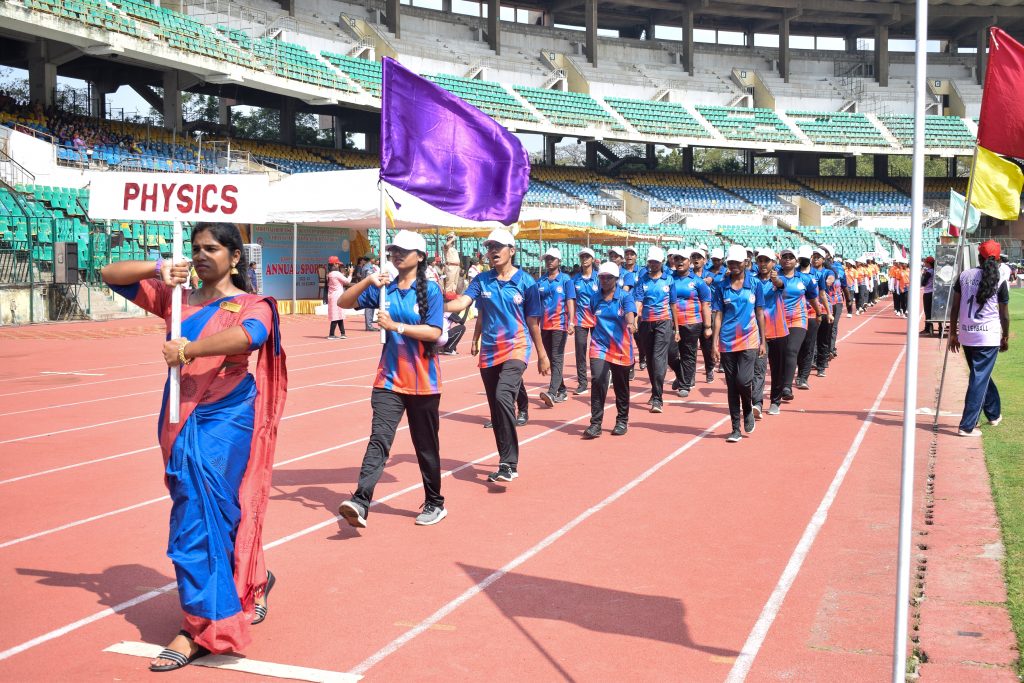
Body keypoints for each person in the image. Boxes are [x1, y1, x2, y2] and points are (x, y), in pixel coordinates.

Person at [101, 222, 287, 671]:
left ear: (235, 257)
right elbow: (110, 275)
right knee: (202, 511)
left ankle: (203, 627)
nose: (201, 255)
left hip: (227, 416)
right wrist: (160, 267)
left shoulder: (253, 304)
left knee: (204, 516)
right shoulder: (176, 297)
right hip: (180, 414)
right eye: (196, 248)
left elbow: (250, 337)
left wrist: (188, 350)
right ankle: (251, 578)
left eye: (212, 248)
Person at [337, 230, 447, 527]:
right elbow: (344, 302)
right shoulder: (385, 288)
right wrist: (367, 281)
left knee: (425, 446)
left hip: (423, 382)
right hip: (388, 380)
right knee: (379, 440)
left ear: (420, 257)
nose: (396, 254)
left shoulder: (431, 290)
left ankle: (435, 502)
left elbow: (434, 332)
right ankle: (360, 501)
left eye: (403, 250)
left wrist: (396, 326)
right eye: (393, 250)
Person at [445, 228, 550, 484]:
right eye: (490, 246)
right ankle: (506, 462)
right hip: (490, 352)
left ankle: (510, 462)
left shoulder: (526, 283)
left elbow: (533, 322)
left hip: (516, 347)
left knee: (504, 396)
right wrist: (433, 305)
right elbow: (463, 304)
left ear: (511, 251)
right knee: (496, 409)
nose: (493, 251)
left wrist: (542, 354)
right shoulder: (482, 280)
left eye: (498, 246)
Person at [948, 240, 1010, 437]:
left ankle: (993, 414)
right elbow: (1004, 314)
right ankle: (967, 425)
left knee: (980, 375)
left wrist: (952, 333)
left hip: (967, 334)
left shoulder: (964, 275)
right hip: (988, 336)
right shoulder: (1000, 278)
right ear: (998, 259)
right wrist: (1005, 336)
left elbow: (955, 307)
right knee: (979, 378)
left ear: (979, 257)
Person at [711, 245, 766, 442]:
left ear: (745, 263)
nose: (733, 265)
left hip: (750, 338)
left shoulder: (755, 284)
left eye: (737, 262)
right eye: (731, 262)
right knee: (732, 385)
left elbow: (760, 313)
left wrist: (763, 341)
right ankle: (735, 427)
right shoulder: (721, 286)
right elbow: (718, 315)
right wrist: (714, 343)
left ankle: (748, 409)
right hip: (727, 341)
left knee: (743, 381)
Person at [583, 262, 637, 438]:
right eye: (602, 277)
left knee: (621, 385)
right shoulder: (594, 298)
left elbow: (630, 312)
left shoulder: (625, 297)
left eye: (609, 277)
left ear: (616, 279)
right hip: (599, 345)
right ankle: (595, 424)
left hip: (621, 347)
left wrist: (631, 323)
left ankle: (622, 420)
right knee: (598, 379)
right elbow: (593, 316)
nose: (605, 280)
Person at [633, 246, 679, 413]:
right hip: (646, 323)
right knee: (651, 359)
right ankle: (655, 391)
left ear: (662, 262)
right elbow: (638, 301)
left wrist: (677, 328)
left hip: (664, 322)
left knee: (659, 358)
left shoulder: (669, 280)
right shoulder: (642, 280)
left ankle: (658, 399)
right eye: (650, 262)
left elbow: (673, 305)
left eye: (656, 262)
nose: (653, 264)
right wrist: (634, 321)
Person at [666, 249, 711, 398]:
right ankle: (681, 375)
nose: (679, 262)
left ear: (689, 262)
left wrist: (707, 326)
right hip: (670, 322)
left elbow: (705, 304)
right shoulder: (669, 279)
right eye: (676, 259)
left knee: (688, 353)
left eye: (683, 259)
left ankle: (685, 384)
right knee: (669, 353)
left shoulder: (698, 282)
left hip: (692, 322)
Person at [777, 247, 819, 400]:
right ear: (780, 260)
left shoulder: (804, 279)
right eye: (785, 257)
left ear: (796, 260)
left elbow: (813, 298)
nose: (788, 259)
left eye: (791, 257)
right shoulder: (773, 277)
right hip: (778, 320)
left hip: (798, 319)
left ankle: (787, 387)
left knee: (791, 350)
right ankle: (780, 381)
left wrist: (819, 313)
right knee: (779, 354)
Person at [751, 248, 788, 417]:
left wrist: (776, 280)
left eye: (767, 261)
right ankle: (757, 403)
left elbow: (781, 285)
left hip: (778, 330)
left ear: (773, 263)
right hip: (758, 332)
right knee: (758, 369)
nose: (763, 264)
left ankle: (775, 401)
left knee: (777, 370)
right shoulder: (752, 281)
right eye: (760, 260)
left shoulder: (778, 279)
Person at [538, 247, 576, 407]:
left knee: (557, 357)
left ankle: (552, 392)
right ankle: (562, 389)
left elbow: (570, 301)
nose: (549, 261)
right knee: (551, 357)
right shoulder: (540, 281)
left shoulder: (566, 280)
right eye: (547, 259)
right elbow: (536, 303)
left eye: (552, 259)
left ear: (559, 261)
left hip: (560, 324)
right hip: (544, 325)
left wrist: (571, 322)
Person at [795, 245, 830, 390]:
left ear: (810, 258)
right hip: (796, 316)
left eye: (805, 258)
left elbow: (822, 294)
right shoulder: (793, 273)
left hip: (812, 314)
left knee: (809, 346)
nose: (803, 260)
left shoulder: (818, 275)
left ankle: (803, 377)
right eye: (801, 258)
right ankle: (798, 371)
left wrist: (828, 312)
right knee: (796, 347)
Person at [571, 248, 599, 395]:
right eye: (582, 257)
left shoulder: (599, 278)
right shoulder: (575, 279)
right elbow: (571, 300)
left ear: (592, 259)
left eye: (587, 257)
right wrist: (571, 321)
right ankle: (582, 382)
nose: (584, 259)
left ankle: (598, 378)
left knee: (597, 351)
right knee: (580, 350)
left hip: (597, 320)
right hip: (580, 320)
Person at [326, 261, 350, 339]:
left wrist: (342, 274)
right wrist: (351, 273)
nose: (338, 265)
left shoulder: (330, 274)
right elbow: (347, 281)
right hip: (337, 296)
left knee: (339, 314)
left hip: (332, 296)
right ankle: (331, 334)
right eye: (337, 264)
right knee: (336, 315)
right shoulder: (336, 273)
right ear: (334, 264)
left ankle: (343, 333)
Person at [921, 256, 936, 335]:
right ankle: (929, 328)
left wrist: (923, 275)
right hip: (933, 292)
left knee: (927, 311)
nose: (924, 263)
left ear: (928, 263)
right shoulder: (934, 270)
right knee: (930, 311)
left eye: (925, 262)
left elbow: (923, 283)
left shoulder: (929, 272)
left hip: (928, 292)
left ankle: (928, 329)